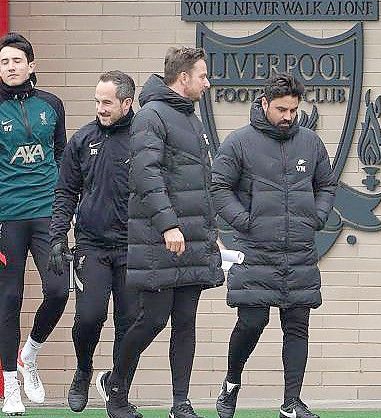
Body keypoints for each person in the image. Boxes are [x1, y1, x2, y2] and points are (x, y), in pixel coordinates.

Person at [95, 47, 224, 418]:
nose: (207, 82)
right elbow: (146, 175)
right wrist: (169, 224)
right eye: (202, 75)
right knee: (152, 319)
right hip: (161, 239)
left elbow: (198, 185)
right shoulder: (152, 116)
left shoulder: (191, 120)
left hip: (193, 240)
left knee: (185, 322)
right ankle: (115, 385)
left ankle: (180, 404)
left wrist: (208, 232)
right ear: (183, 78)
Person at [211, 73, 337, 418]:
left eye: (293, 110)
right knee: (251, 322)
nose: (288, 116)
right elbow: (219, 188)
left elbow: (326, 185)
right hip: (255, 251)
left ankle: (291, 402)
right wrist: (246, 222)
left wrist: (317, 216)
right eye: (281, 109)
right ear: (264, 103)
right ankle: (231, 383)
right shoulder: (238, 142)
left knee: (297, 325)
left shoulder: (310, 143)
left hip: (299, 251)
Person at [48, 71, 140, 414]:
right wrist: (58, 236)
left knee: (129, 322)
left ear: (126, 103)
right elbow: (65, 192)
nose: (100, 108)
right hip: (92, 245)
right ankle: (84, 370)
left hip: (134, 248)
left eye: (107, 102)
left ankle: (117, 390)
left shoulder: (144, 138)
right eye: (97, 102)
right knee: (89, 317)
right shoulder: (82, 139)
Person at [0, 32, 68, 415]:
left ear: (31, 65)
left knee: (58, 290)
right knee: (9, 299)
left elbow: (60, 156)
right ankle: (10, 385)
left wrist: (62, 207)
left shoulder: (52, 105)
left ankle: (30, 354)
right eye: (4, 62)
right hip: (7, 217)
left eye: (16, 61)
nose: (10, 67)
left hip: (47, 213)